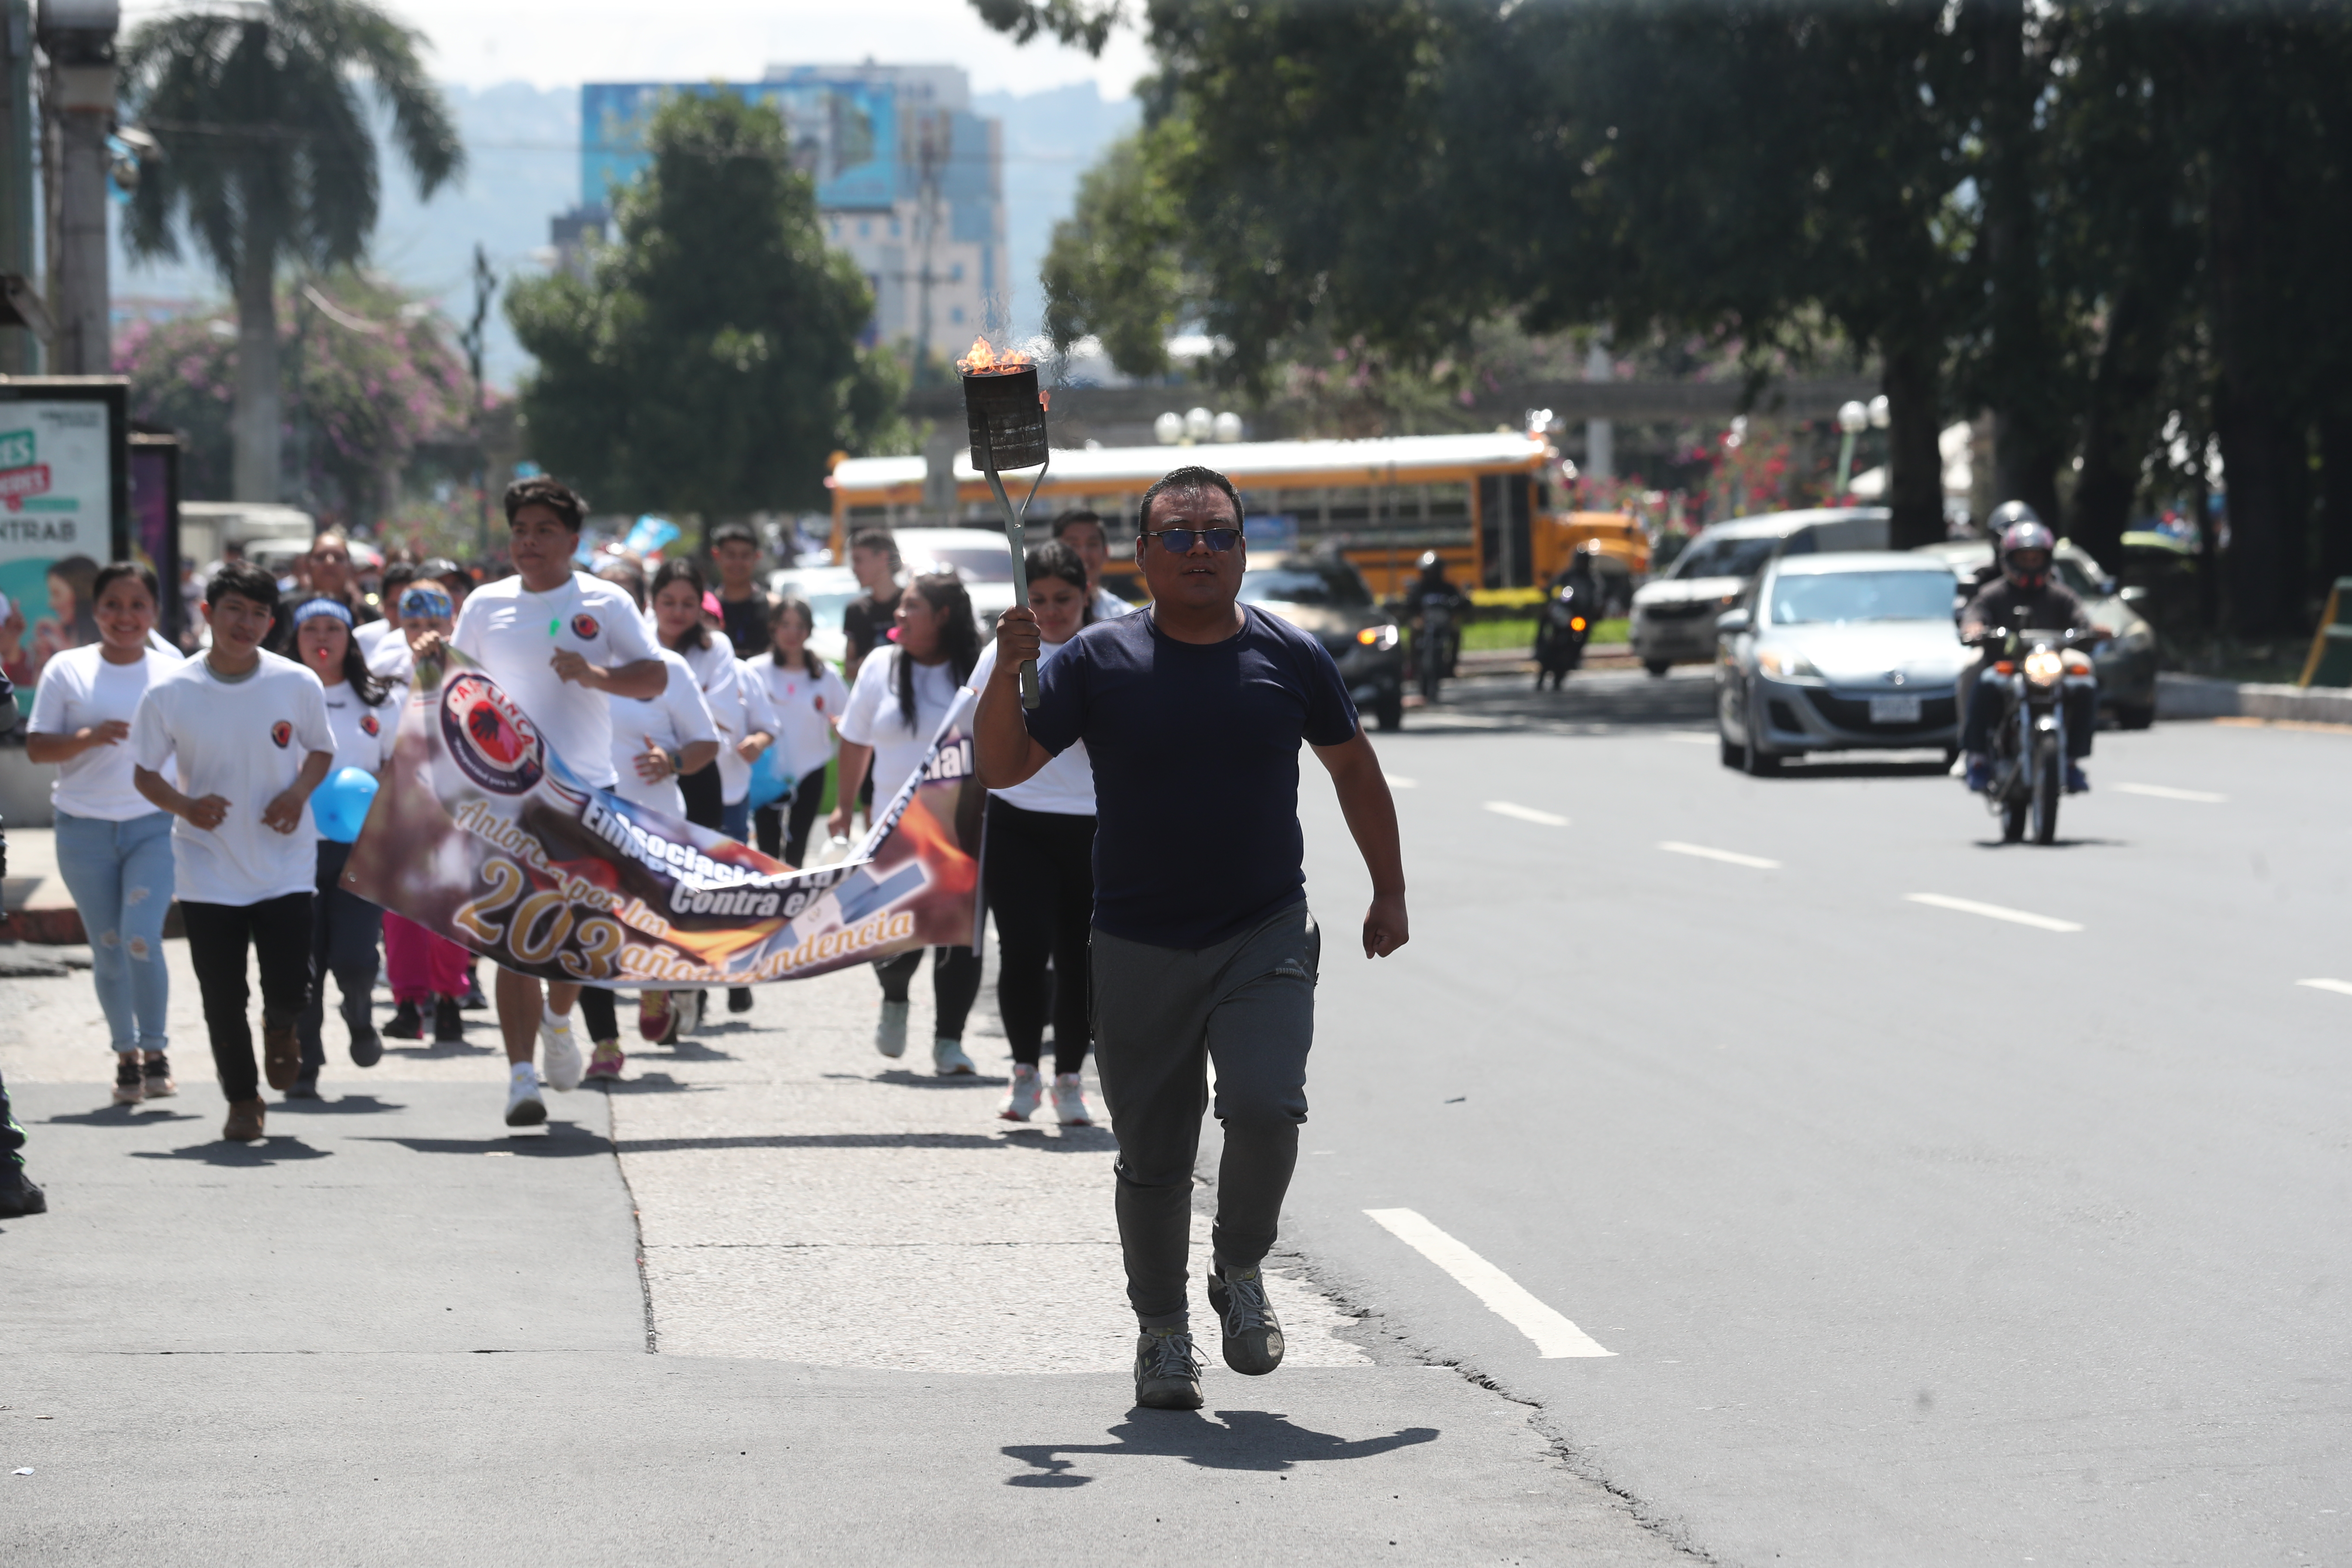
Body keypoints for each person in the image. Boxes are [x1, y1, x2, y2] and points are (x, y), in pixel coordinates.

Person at [975, 463, 1408, 1412]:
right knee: (1155, 1158)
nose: (1200, 549)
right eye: (1178, 535)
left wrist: (1390, 890)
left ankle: (1242, 1264)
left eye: (1218, 533)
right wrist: (1012, 670)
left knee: (1265, 1105)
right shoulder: (1095, 662)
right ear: (1143, 556)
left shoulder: (1293, 658)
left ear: (1245, 551)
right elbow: (1003, 767)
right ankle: (1163, 1334)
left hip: (1263, 929)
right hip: (1137, 943)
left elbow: (1356, 773)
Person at [414, 477, 666, 1129]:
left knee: (578, 935)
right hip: (506, 795)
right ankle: (519, 1077)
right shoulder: (485, 604)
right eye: (520, 530)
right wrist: (429, 665)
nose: (528, 543)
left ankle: (561, 1020)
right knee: (511, 940)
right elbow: (457, 689)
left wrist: (595, 675)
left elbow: (653, 676)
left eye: (543, 531)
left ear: (573, 541)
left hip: (586, 789)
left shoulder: (606, 603)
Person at [132, 561, 336, 1144]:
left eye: (258, 614)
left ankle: (282, 1026)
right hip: (207, 863)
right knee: (223, 994)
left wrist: (298, 794)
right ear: (207, 614)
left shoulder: (296, 683)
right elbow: (146, 773)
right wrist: (185, 805)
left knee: (292, 983)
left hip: (285, 860)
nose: (246, 624)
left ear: (272, 621)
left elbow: (321, 750)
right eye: (234, 611)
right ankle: (243, 1100)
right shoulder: (171, 690)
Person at [25, 562, 185, 1106]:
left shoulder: (174, 672)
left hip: (154, 827)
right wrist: (90, 738)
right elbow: (38, 747)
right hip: (83, 830)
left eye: (137, 605)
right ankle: (126, 1058)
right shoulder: (67, 670)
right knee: (110, 946)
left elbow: (197, 747)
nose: (125, 616)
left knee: (142, 935)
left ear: (154, 613)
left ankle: (157, 1049)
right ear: (95, 611)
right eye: (113, 605)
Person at [830, 570, 983, 1075]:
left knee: (959, 935)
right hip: (894, 831)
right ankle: (894, 997)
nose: (898, 614)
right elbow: (854, 739)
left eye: (911, 606)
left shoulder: (976, 670)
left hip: (963, 828)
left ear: (943, 617)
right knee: (896, 939)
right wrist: (844, 806)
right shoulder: (881, 665)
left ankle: (949, 1040)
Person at [967, 542, 1098, 1126]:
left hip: (1094, 826)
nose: (1050, 612)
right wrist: (1006, 664)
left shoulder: (1107, 651)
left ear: (1085, 596)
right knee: (1022, 952)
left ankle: (1070, 1079)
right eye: (1038, 599)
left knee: (1081, 960)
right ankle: (1025, 1070)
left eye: (1063, 599)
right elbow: (976, 735)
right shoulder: (1007, 652)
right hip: (1018, 820)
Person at [604, 561, 722, 1058]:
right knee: (596, 923)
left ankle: (658, 980)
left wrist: (671, 760)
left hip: (655, 817)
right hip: (589, 815)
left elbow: (706, 743)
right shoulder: (569, 662)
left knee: (651, 919)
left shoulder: (669, 668)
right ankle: (604, 1042)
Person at [287, 596, 400, 1098]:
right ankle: (305, 1064)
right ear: (296, 640)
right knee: (301, 963)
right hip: (292, 849)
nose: (322, 637)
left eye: (333, 627)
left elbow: (401, 768)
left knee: (354, 958)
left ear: (350, 638)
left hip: (361, 850)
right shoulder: (277, 697)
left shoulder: (379, 700)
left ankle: (359, 1012)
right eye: (311, 628)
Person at [377, 582, 471, 1047]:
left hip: (455, 804)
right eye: (413, 624)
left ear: (451, 623)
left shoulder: (470, 671)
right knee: (401, 912)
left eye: (434, 624)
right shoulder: (385, 671)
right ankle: (409, 1003)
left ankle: (451, 999)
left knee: (450, 903)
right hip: (401, 803)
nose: (424, 633)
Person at [1959, 508, 2106, 795]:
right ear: (2009, 559)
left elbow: (2081, 619)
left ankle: (2074, 760)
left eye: (2035, 558)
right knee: (1980, 678)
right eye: (2023, 558)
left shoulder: (2060, 594)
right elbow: (1974, 615)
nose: (2029, 564)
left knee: (2085, 679)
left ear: (2047, 559)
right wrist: (1975, 628)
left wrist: (2093, 630)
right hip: (2006, 660)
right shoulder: (1993, 593)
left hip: (2050, 659)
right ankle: (1975, 757)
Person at [751, 596, 848, 869]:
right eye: (785, 625)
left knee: (797, 848)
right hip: (767, 773)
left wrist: (839, 725)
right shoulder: (755, 670)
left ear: (809, 630)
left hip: (811, 769)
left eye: (800, 626)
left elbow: (848, 720)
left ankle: (794, 904)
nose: (792, 633)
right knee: (767, 849)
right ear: (773, 628)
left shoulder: (825, 674)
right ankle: (769, 904)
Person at [839, 527, 903, 685]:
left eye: (858, 560)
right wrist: (870, 663)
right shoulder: (856, 610)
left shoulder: (912, 604)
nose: (854, 569)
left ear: (882, 558)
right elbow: (849, 670)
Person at [1051, 509, 1136, 622]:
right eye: (1073, 545)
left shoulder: (1127, 619)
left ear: (1106, 552)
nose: (1083, 554)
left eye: (1092, 544)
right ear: (1053, 553)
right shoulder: (1033, 622)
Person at [709, 520, 777, 658]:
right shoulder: (707, 608)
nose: (738, 563)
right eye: (731, 555)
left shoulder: (773, 607)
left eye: (745, 556)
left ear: (757, 557)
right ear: (717, 555)